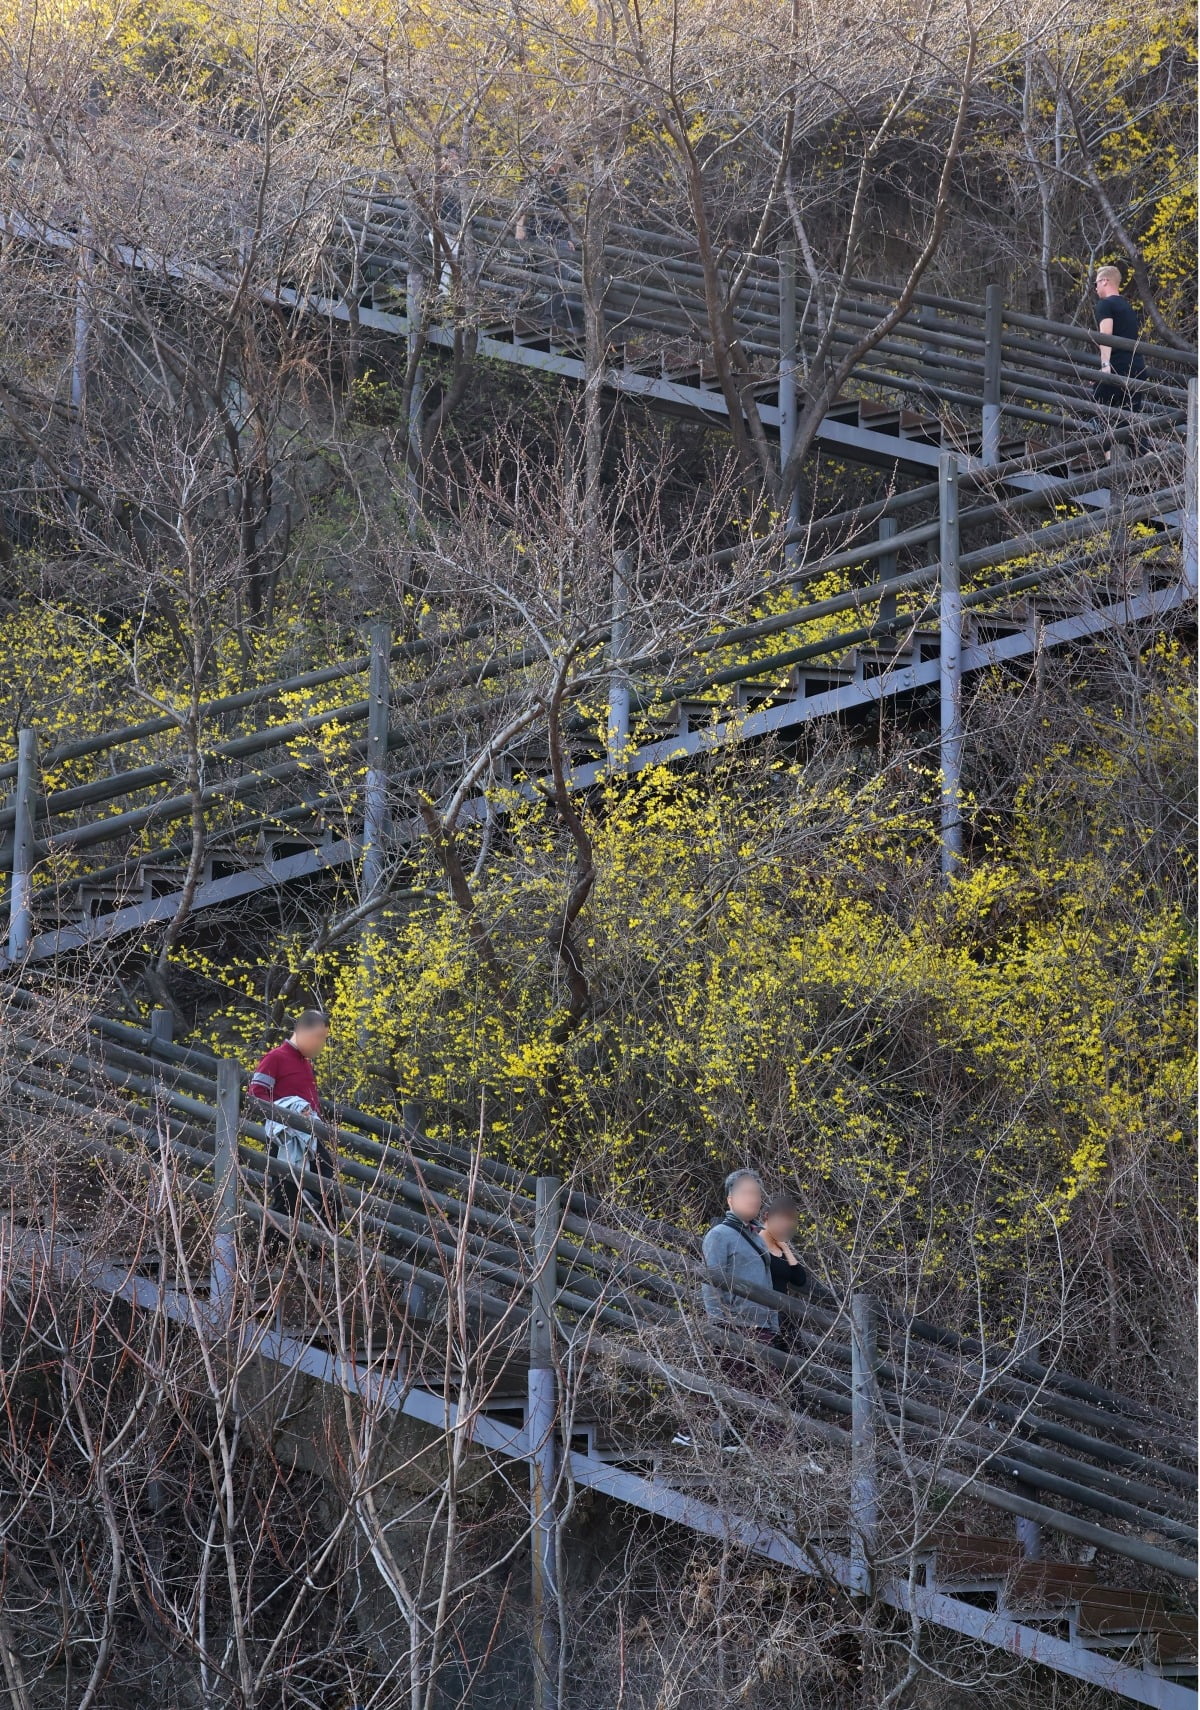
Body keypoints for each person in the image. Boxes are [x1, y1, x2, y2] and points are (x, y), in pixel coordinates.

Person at [249, 1010, 342, 1234]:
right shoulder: (276, 1058)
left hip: (310, 1140)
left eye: (323, 1038)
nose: (320, 1043)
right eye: (318, 1036)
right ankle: (271, 1261)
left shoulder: (305, 1064)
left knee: (332, 1197)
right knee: (286, 1203)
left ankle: (318, 1254)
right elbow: (255, 1094)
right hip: (285, 1141)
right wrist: (289, 1112)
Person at [1093, 264, 1146, 417]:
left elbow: (1106, 336)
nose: (1095, 288)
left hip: (1118, 367)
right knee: (1129, 425)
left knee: (1097, 414)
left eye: (1095, 283)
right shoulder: (1127, 307)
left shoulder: (1105, 304)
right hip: (1137, 367)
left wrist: (1105, 366)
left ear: (1104, 281)